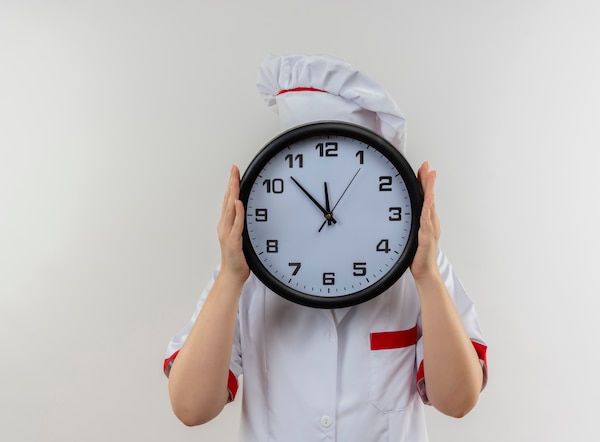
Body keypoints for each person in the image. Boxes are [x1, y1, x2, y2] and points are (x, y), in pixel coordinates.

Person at [164, 54, 488, 441]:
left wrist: (428, 277)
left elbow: (458, 402)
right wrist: (231, 276)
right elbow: (190, 408)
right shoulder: (246, 275)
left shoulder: (421, 270)